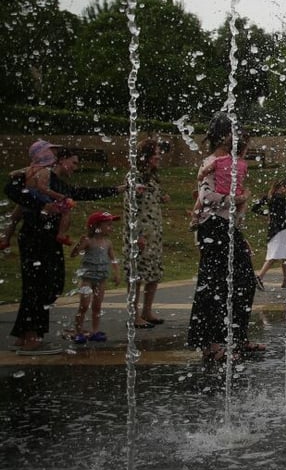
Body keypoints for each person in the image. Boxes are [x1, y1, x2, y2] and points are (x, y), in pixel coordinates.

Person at [5, 144, 129, 354]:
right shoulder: (37, 174)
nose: (75, 167)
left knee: (41, 285)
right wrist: (41, 205)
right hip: (36, 237)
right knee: (44, 285)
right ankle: (32, 338)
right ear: (62, 160)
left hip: (45, 238)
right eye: (74, 162)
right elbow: (11, 190)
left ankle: (24, 335)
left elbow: (81, 193)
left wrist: (118, 189)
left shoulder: (58, 184)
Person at [185, 114, 261, 364]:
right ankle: (212, 343)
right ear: (224, 135)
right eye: (234, 133)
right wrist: (236, 200)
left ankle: (237, 336)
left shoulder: (234, 162)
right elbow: (206, 197)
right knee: (215, 285)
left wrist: (240, 232)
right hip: (212, 227)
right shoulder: (211, 161)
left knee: (245, 280)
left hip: (227, 227)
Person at [3, 139, 76, 248]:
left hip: (28, 195)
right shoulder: (45, 171)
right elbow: (43, 189)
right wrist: (58, 196)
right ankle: (61, 234)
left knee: (14, 217)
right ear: (46, 155)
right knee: (66, 210)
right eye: (52, 152)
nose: (55, 154)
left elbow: (12, 173)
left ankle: (5, 240)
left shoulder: (29, 169)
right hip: (41, 199)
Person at [131, 138, 169, 328]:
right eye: (156, 153)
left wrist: (162, 198)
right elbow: (131, 207)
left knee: (153, 272)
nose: (159, 156)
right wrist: (136, 235)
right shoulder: (135, 176)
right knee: (137, 275)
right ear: (145, 156)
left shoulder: (152, 177)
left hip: (154, 232)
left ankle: (147, 310)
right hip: (140, 233)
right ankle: (134, 314)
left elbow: (149, 198)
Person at [70, 211, 121, 343]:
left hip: (101, 279)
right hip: (87, 278)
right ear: (96, 225)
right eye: (108, 225)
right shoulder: (88, 241)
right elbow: (74, 254)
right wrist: (78, 244)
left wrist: (117, 273)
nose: (111, 227)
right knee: (84, 306)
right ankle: (78, 331)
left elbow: (113, 259)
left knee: (97, 306)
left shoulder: (108, 243)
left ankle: (95, 330)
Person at [251, 178, 286, 289]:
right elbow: (285, 215)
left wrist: (267, 214)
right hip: (281, 230)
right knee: (273, 256)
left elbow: (254, 208)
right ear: (281, 187)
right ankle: (259, 277)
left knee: (284, 255)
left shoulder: (268, 197)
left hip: (274, 228)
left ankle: (285, 280)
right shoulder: (280, 198)